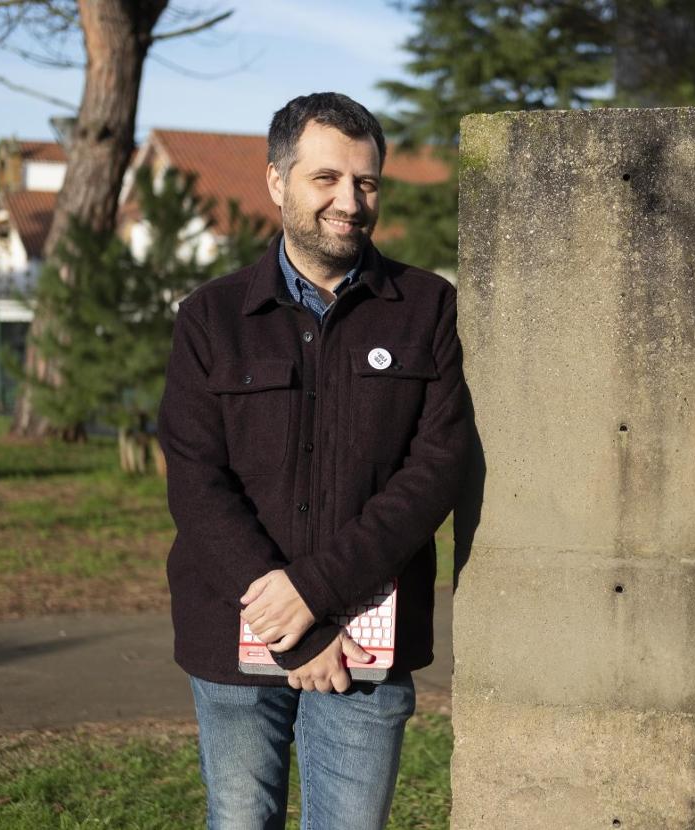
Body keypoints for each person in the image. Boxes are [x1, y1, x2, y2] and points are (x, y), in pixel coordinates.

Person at [156, 92, 470, 829]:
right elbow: (197, 481)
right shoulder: (210, 318)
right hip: (232, 636)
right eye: (325, 178)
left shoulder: (428, 309)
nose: (349, 201)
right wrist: (284, 615)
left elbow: (436, 468)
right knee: (238, 820)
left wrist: (313, 595)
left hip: (367, 646)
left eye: (365, 182)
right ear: (277, 182)